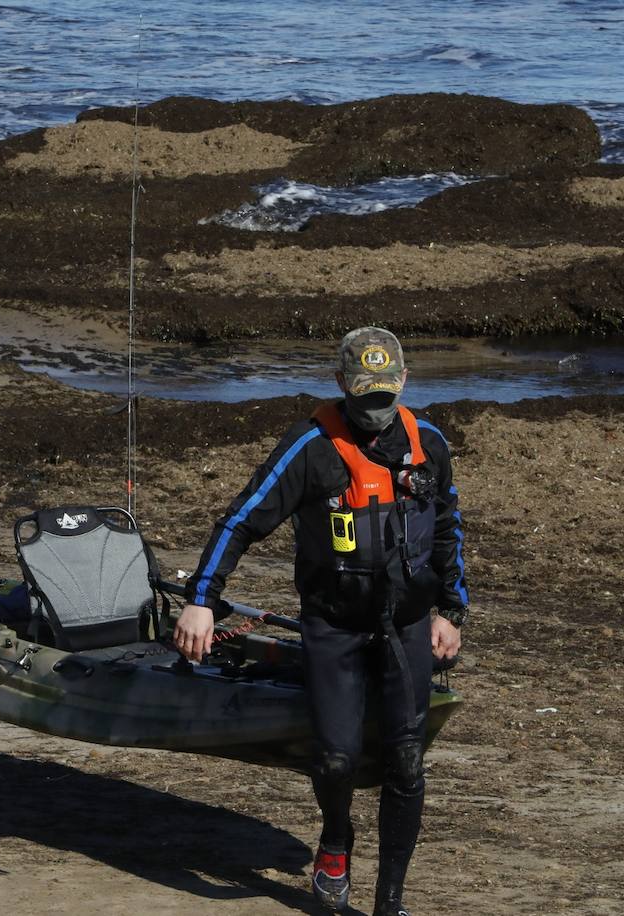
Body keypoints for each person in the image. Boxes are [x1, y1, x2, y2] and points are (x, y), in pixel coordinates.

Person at [173, 327, 468, 916]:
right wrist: (201, 599)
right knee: (336, 759)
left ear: (404, 383)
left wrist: (452, 610)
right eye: (363, 399)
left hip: (405, 626)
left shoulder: (428, 443)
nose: (375, 413)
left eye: (385, 397)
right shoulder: (309, 447)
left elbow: (445, 526)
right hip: (334, 627)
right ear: (340, 385)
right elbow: (240, 522)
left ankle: (390, 905)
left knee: (406, 761)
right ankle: (336, 841)